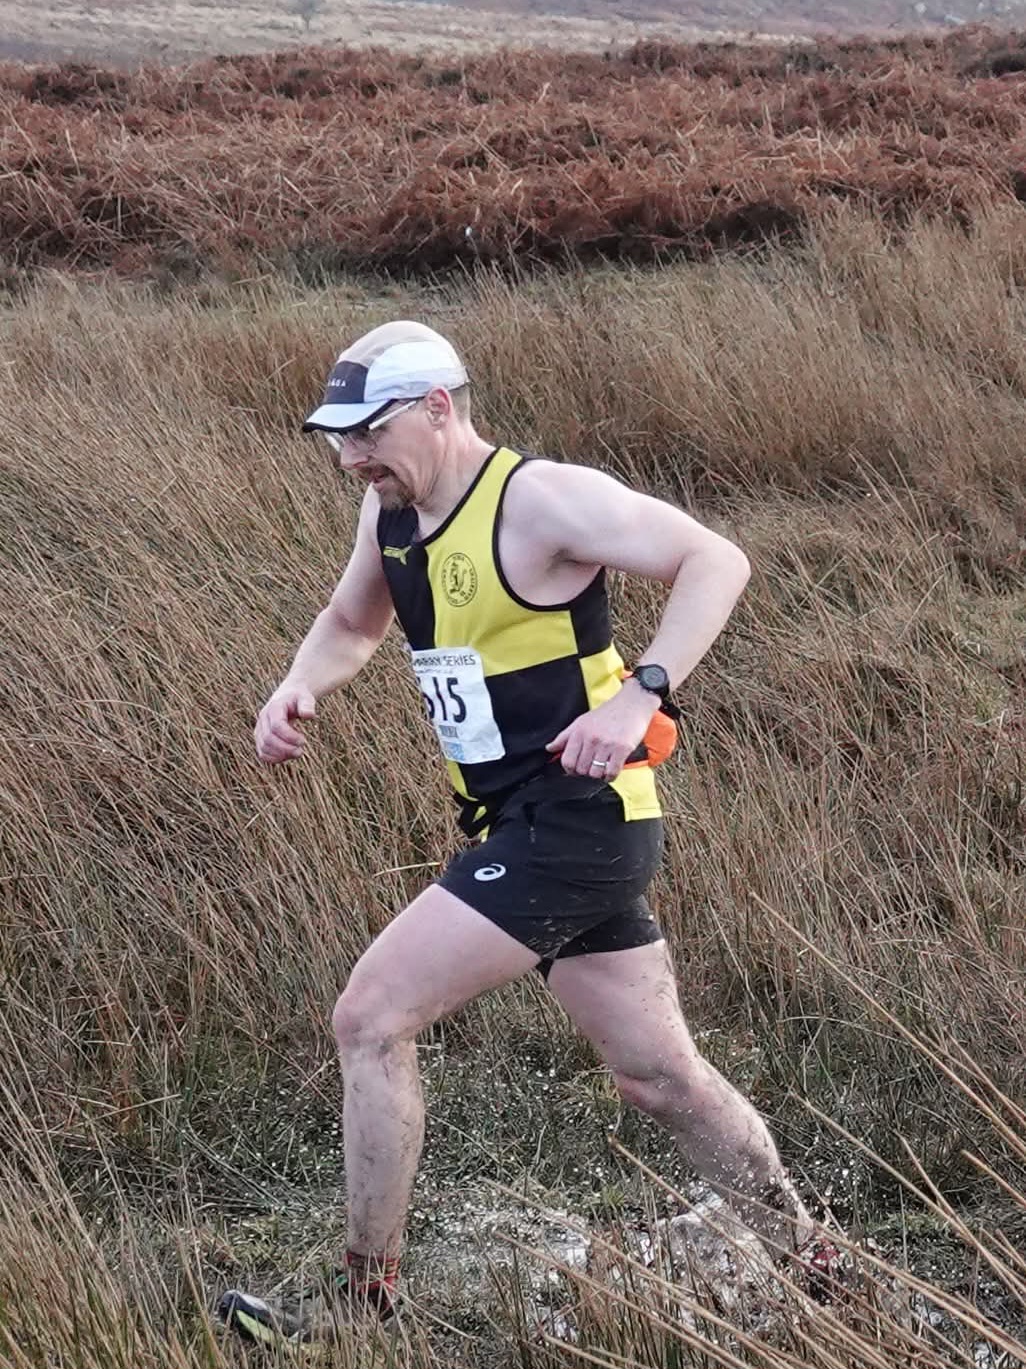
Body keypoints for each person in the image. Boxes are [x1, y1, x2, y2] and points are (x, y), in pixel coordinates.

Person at [218, 320, 831, 1348]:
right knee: (658, 1077)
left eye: (368, 433)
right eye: (339, 438)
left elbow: (715, 559)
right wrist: (297, 684)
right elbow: (355, 622)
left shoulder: (537, 500)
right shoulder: (391, 511)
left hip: (581, 822)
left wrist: (639, 695)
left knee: (370, 1017)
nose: (352, 457)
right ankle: (815, 1263)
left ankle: (363, 1309)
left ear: (438, 407)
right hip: (523, 821)